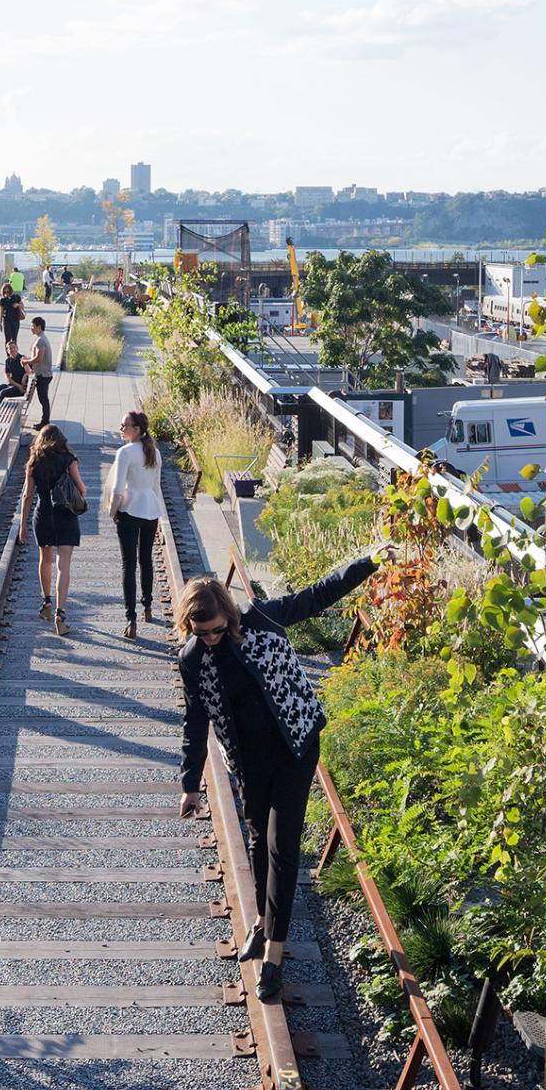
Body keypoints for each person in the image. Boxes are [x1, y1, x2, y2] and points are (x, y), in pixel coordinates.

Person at [173, 562, 378, 1001]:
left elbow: (318, 593)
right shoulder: (193, 658)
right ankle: (263, 924)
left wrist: (369, 561)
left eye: (214, 629)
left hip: (294, 749)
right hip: (249, 761)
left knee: (283, 847)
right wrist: (190, 782)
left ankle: (273, 958)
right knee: (257, 842)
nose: (209, 638)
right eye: (200, 632)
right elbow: (195, 721)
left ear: (227, 614)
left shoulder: (262, 619)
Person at [18, 423, 86, 636]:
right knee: (63, 564)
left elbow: (28, 496)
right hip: (65, 515)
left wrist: (22, 525)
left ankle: (46, 603)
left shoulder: (34, 462)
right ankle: (61, 614)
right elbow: (82, 488)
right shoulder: (68, 459)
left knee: (45, 559)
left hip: (44, 514)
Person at [108, 411, 165, 638]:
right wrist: (162, 516)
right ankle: (148, 608)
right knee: (146, 560)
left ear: (137, 429)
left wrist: (113, 512)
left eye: (125, 426)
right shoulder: (155, 453)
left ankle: (131, 619)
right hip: (150, 510)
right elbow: (156, 488)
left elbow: (117, 489)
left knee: (128, 565)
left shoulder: (125, 453)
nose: (121, 429)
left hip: (130, 510)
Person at [24, 314, 57, 428]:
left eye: (33, 326)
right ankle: (45, 420)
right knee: (43, 398)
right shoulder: (41, 338)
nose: (31, 328)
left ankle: (45, 421)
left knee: (43, 398)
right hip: (43, 373)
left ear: (39, 327)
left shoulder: (40, 341)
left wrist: (26, 362)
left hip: (43, 374)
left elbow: (39, 358)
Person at [0, 342, 29, 417]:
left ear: (17, 348)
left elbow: (31, 371)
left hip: (20, 389)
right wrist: (18, 385)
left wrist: (25, 375)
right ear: (7, 351)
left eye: (13, 347)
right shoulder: (8, 361)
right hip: (14, 386)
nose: (12, 349)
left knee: (3, 393)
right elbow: (8, 378)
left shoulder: (23, 358)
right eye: (10, 348)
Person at [0, 281, 25, 352]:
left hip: (15, 320)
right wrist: (0, 323)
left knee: (14, 338)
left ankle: (15, 353)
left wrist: (17, 305)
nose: (7, 292)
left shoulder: (16, 297)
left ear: (11, 290)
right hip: (6, 320)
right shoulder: (2, 300)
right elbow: (1, 312)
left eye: (8, 291)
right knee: (7, 338)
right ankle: (8, 354)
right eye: (5, 291)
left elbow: (22, 306)